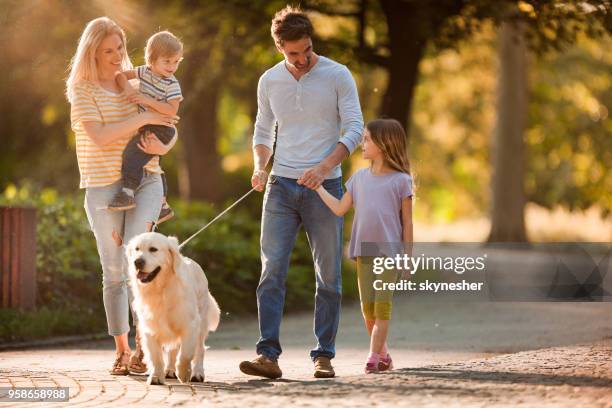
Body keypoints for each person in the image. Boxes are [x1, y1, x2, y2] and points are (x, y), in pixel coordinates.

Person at [239, 6, 363, 379]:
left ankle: (323, 354)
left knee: (328, 275)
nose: (302, 58)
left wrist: (326, 167)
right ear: (280, 48)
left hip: (325, 188)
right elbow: (263, 130)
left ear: (312, 42)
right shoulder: (269, 81)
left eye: (307, 49)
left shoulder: (337, 75)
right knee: (271, 270)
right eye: (294, 53)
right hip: (279, 186)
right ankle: (268, 356)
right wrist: (260, 166)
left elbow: (355, 128)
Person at [66, 17, 179, 375]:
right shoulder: (82, 90)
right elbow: (100, 136)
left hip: (146, 179)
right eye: (108, 50)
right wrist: (142, 113)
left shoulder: (138, 82)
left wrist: (164, 142)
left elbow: (168, 125)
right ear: (93, 52)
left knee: (140, 259)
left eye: (120, 49)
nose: (117, 56)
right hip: (102, 186)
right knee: (114, 270)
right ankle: (122, 350)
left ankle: (148, 346)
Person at [315, 119, 413, 373]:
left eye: (367, 139)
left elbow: (408, 223)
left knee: (382, 305)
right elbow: (339, 208)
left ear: (383, 143)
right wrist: (318, 188)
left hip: (390, 253)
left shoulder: (402, 181)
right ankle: (385, 355)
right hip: (364, 251)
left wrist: (408, 257)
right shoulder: (358, 179)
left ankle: (372, 356)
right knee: (367, 308)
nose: (362, 143)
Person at [109, 31, 183, 225]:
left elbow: (171, 109)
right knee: (152, 163)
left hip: (162, 128)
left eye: (176, 61)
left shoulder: (172, 85)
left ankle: (127, 192)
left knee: (132, 154)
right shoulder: (144, 72)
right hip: (148, 125)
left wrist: (146, 100)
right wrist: (127, 89)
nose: (172, 67)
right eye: (167, 61)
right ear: (151, 60)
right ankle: (163, 206)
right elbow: (120, 75)